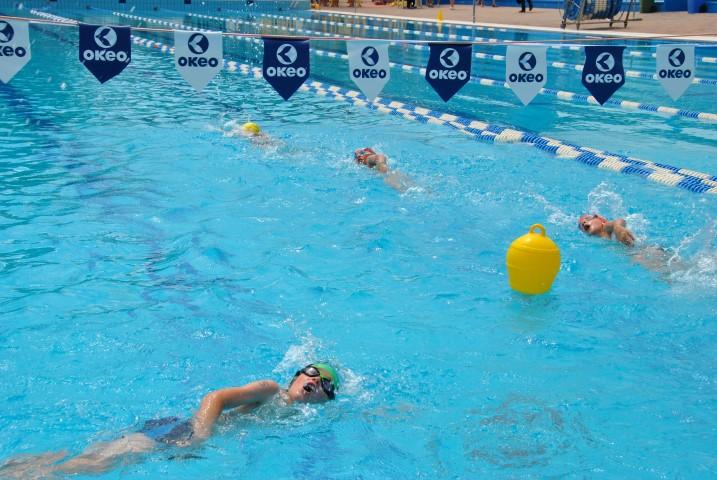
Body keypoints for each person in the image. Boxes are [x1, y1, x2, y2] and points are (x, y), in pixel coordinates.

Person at [0, 363, 340, 478]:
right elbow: (215, 397)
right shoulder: (271, 390)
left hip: (179, 432)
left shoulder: (296, 415)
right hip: (182, 430)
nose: (316, 381)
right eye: (312, 372)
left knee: (90, 457)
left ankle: (15, 468)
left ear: (326, 399)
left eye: (326, 384)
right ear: (296, 375)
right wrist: (199, 435)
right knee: (94, 464)